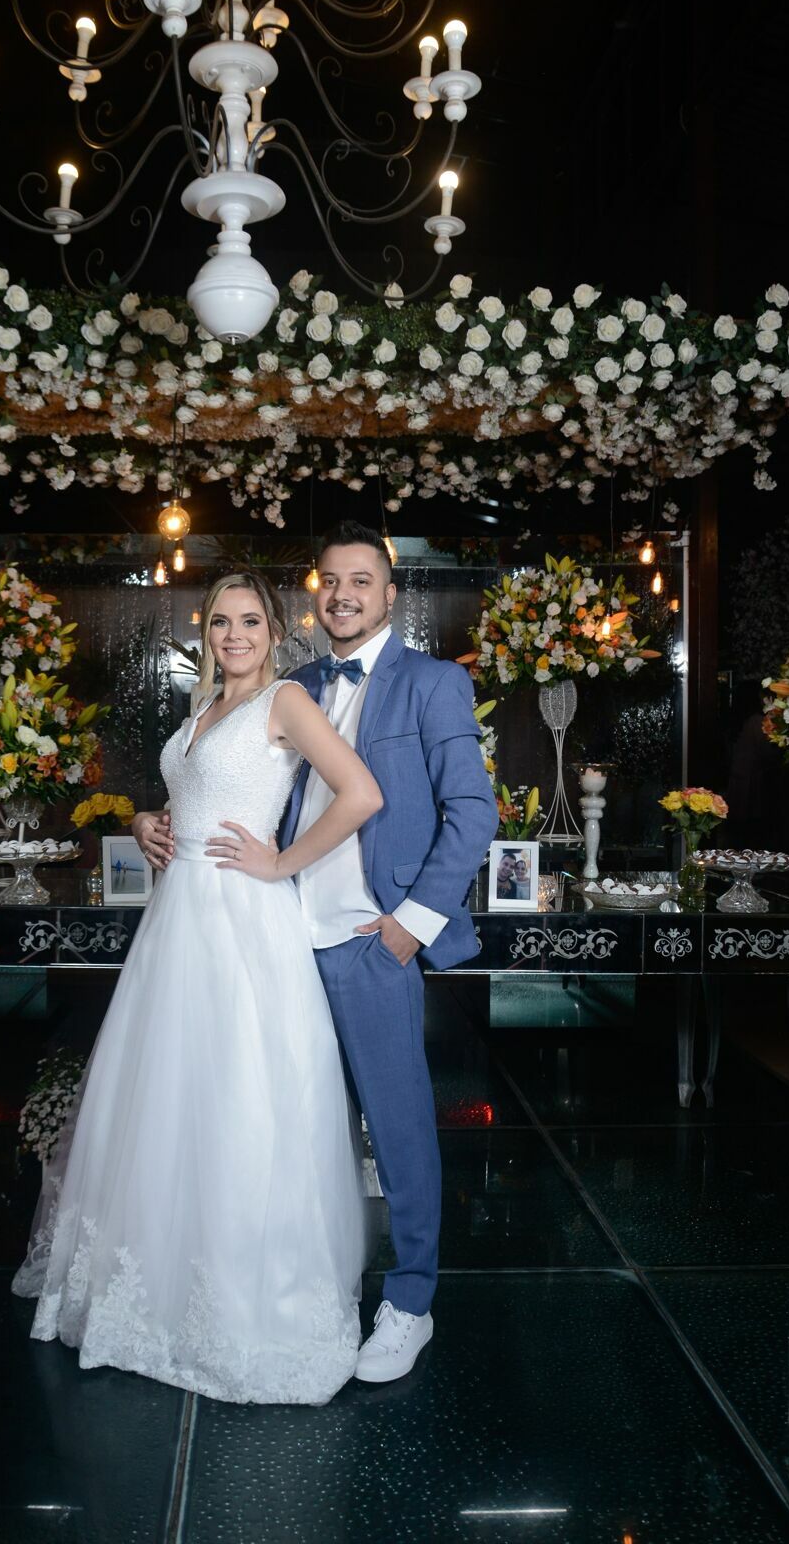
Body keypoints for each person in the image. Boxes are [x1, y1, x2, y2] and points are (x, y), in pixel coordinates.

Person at [12, 570, 382, 1406]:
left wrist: (282, 862)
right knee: (170, 1099)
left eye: (249, 621)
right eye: (220, 622)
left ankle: (241, 1302)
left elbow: (360, 794)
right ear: (206, 631)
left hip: (243, 926)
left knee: (241, 1095)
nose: (234, 636)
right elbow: (198, 794)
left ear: (277, 630)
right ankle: (163, 1289)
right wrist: (147, 821)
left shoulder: (287, 701)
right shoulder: (199, 712)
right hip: (177, 927)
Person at [273, 520, 499, 1383]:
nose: (342, 595)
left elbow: (472, 813)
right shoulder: (290, 685)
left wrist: (411, 922)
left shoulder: (433, 684)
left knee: (398, 1127)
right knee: (299, 1124)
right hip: (284, 939)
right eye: (330, 581)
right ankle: (310, 1284)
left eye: (360, 581)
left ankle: (409, 1303)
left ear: (390, 593)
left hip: (372, 941)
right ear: (313, 590)